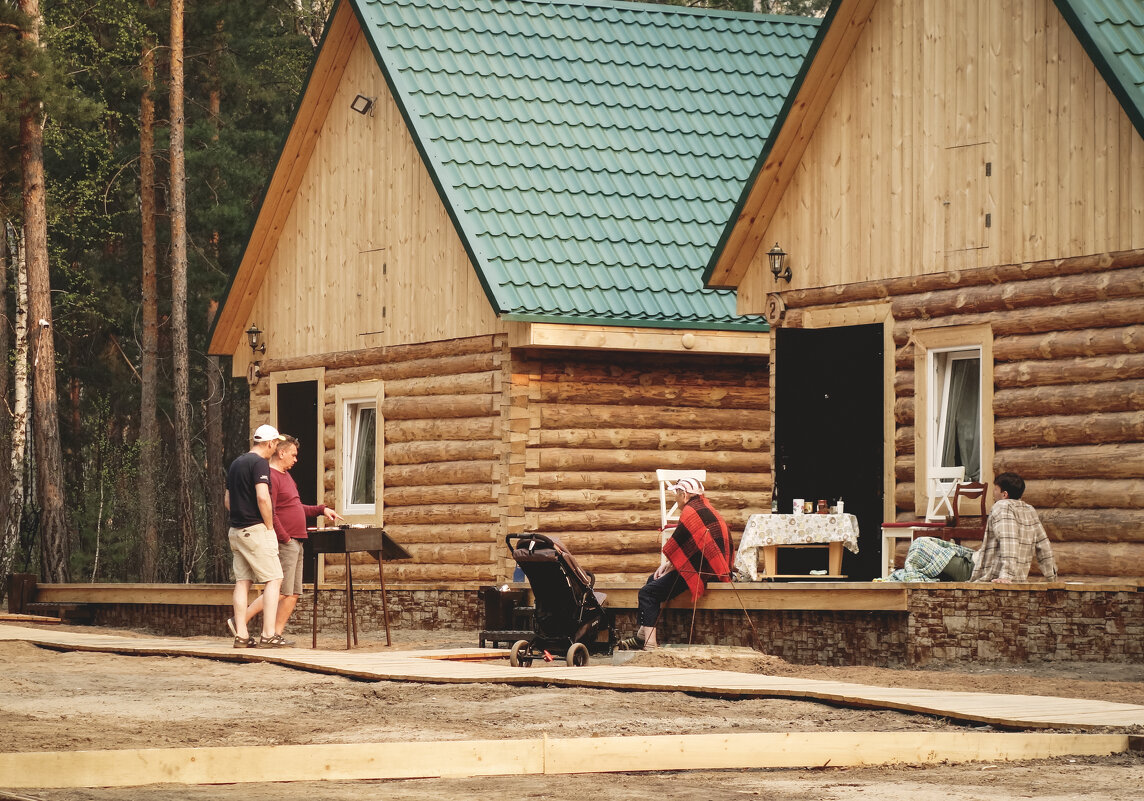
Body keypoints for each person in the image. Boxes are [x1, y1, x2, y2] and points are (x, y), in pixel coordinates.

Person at [229, 435, 342, 640]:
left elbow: (295, 508)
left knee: (293, 592)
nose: (296, 459)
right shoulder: (268, 474)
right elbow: (269, 510)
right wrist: (283, 537)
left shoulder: (287, 476)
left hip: (298, 539)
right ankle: (241, 621)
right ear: (280, 452)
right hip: (285, 540)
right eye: (293, 454)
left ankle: (276, 634)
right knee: (279, 588)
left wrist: (321, 509)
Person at [618, 477, 734, 650]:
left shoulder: (690, 513)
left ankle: (649, 644)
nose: (675, 498)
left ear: (684, 494)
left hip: (702, 571)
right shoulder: (706, 508)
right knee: (653, 580)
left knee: (647, 593)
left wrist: (673, 564)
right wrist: (670, 565)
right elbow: (691, 547)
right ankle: (642, 635)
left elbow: (683, 546)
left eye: (677, 494)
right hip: (715, 568)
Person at [885, 471, 1058, 583]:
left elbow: (1009, 541)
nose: (993, 494)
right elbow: (1043, 545)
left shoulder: (1002, 507)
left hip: (978, 573)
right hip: (983, 562)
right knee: (942, 546)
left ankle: (913, 577)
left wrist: (1007, 576)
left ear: (1004, 494)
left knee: (921, 544)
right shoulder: (1029, 510)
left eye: (995, 490)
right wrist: (1052, 578)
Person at [224, 424, 287, 648]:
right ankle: (268, 634)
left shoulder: (236, 463)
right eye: (276, 444)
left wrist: (240, 517)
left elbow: (227, 501)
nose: (276, 448)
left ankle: (241, 635)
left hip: (236, 531)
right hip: (256, 529)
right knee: (274, 578)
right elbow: (263, 497)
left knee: (243, 581)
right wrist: (269, 526)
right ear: (269, 443)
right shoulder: (260, 463)